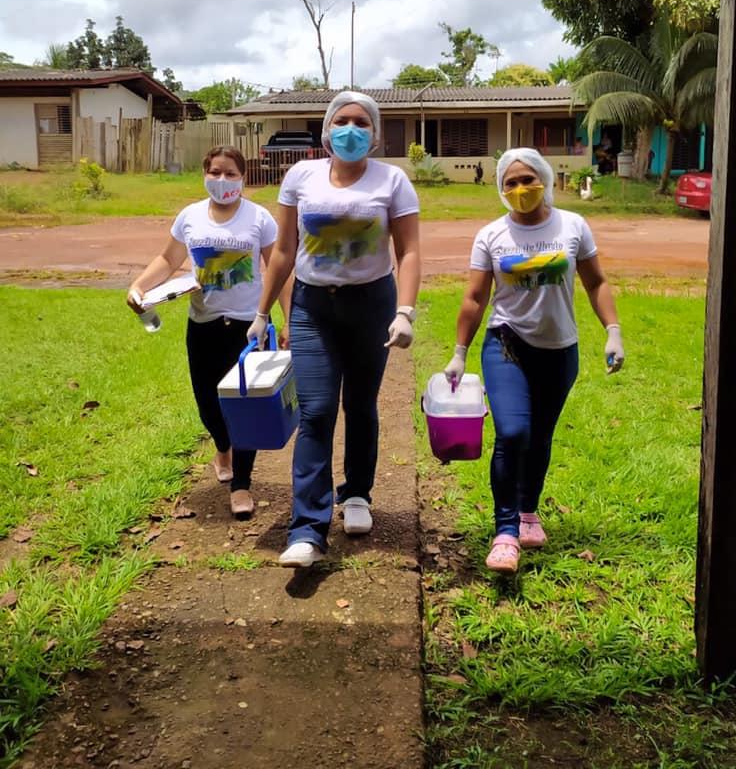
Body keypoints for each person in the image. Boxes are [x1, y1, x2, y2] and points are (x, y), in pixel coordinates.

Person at [250, 91, 421, 568]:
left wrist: (405, 311)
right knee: (317, 411)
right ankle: (307, 528)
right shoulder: (300, 176)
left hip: (372, 305)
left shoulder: (392, 180)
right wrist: (262, 313)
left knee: (361, 404)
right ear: (326, 130)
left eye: (362, 122)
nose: (351, 129)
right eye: (341, 120)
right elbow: (284, 250)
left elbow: (408, 251)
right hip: (312, 308)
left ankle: (358, 493)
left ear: (375, 133)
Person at [443, 147, 625, 575]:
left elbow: (596, 282)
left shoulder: (572, 226)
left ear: (544, 179)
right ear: (501, 188)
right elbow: (474, 298)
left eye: (528, 179)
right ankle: (505, 533)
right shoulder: (491, 235)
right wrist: (459, 352)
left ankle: (528, 512)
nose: (521, 188)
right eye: (511, 182)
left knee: (540, 435)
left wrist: (613, 330)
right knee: (512, 432)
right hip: (506, 343)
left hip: (560, 350)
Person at [126, 146, 282, 520]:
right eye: (215, 172)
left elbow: (278, 268)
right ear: (204, 174)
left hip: (248, 326)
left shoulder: (260, 219)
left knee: (245, 405)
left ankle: (241, 484)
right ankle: (222, 446)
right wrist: (139, 286)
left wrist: (289, 319)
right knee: (208, 405)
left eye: (230, 173)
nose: (222, 180)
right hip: (203, 325)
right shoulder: (190, 217)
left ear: (243, 177)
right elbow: (168, 259)